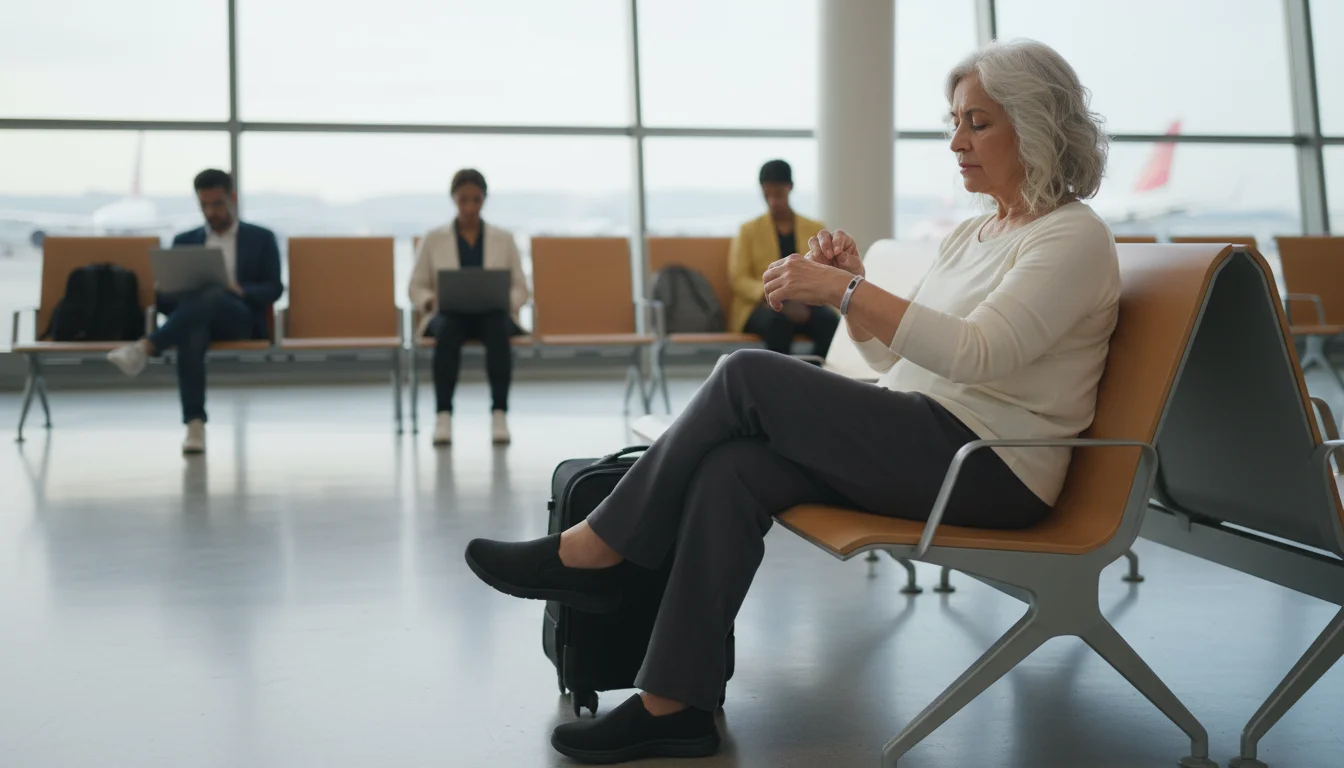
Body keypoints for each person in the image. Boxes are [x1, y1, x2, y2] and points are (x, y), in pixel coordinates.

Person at [464, 39, 1117, 763]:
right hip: (927, 441)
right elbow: (894, 359)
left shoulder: (1071, 237)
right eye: (953, 122)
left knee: (747, 374)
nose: (956, 141)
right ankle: (673, 705)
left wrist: (842, 290)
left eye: (978, 123)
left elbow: (979, 353)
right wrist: (857, 297)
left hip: (990, 466)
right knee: (734, 468)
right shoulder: (976, 231)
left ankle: (593, 550)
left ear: (1035, 123)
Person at [107, 169, 283, 454]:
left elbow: (274, 289)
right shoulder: (184, 241)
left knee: (214, 293)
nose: (210, 212)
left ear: (232, 198)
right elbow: (165, 304)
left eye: (217, 204)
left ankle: (148, 346)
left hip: (240, 319)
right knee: (193, 330)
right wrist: (167, 289)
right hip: (195, 319)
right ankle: (195, 425)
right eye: (204, 206)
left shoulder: (261, 238)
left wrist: (240, 290)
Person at [408, 169, 529, 447]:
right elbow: (417, 285)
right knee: (447, 332)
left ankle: (499, 413)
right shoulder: (433, 238)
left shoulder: (504, 239)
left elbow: (521, 286)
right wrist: (430, 301)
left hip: (493, 312)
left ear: (484, 199)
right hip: (449, 313)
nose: (470, 207)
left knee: (498, 329)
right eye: (463, 200)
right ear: (454, 199)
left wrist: (506, 299)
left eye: (476, 200)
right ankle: (443, 416)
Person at [729, 159, 837, 357]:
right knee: (777, 323)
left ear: (790, 188)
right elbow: (739, 278)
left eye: (778, 194)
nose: (772, 201)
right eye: (766, 194)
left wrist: (804, 299)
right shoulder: (748, 231)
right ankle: (780, 383)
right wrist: (773, 296)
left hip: (804, 303)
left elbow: (825, 271)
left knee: (829, 322)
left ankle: (816, 379)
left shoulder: (814, 228)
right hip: (761, 305)